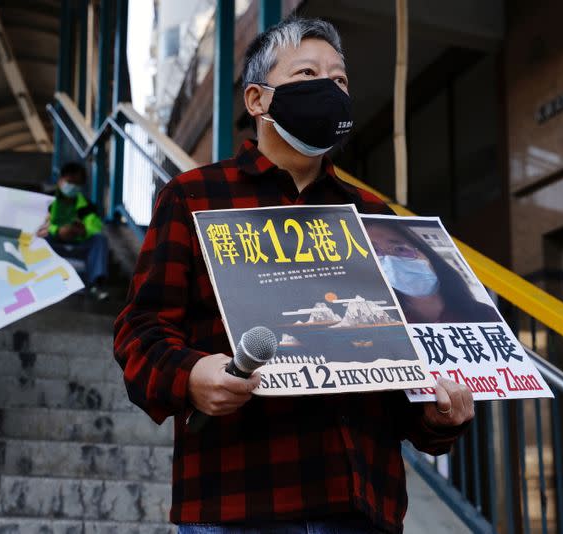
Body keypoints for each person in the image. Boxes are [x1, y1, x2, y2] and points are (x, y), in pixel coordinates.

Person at [114, 17, 474, 534]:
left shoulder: (374, 217)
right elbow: (140, 330)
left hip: (362, 505)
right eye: (308, 73)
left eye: (341, 79)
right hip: (237, 503)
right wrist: (190, 377)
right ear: (258, 100)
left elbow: (400, 367)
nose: (331, 89)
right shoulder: (194, 199)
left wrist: (436, 419)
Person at [364, 220, 501, 324]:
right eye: (375, 252)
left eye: (400, 249)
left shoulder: (484, 315)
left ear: (427, 254)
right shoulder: (382, 324)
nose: (391, 261)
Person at [46, 162, 110, 301]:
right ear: (60, 180)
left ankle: (96, 285)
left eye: (77, 184)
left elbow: (94, 227)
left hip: (79, 245)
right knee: (39, 237)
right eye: (70, 182)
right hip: (53, 244)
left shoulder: (88, 206)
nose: (73, 187)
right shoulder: (47, 200)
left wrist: (83, 231)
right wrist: (58, 231)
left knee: (99, 240)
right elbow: (39, 224)